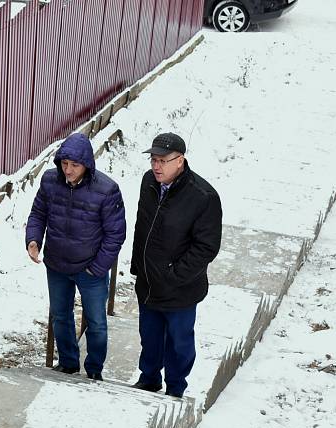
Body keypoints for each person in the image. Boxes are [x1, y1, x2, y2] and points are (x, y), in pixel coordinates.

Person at [25, 132, 126, 381]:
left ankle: (94, 370)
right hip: (57, 264)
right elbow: (38, 213)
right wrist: (33, 239)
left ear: (87, 165)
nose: (68, 170)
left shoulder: (106, 189)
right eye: (64, 164)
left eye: (74, 165)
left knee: (96, 321)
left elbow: (116, 234)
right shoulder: (50, 181)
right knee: (60, 315)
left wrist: (97, 268)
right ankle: (68, 363)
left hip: (90, 268)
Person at [131, 133, 222, 398]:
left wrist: (174, 275)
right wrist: (139, 266)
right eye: (153, 160)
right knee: (149, 337)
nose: (156, 166)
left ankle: (175, 387)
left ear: (180, 161)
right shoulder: (149, 183)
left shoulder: (203, 196)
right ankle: (148, 379)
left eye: (162, 160)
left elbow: (206, 247)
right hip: (148, 282)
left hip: (180, 288)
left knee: (179, 343)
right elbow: (142, 227)